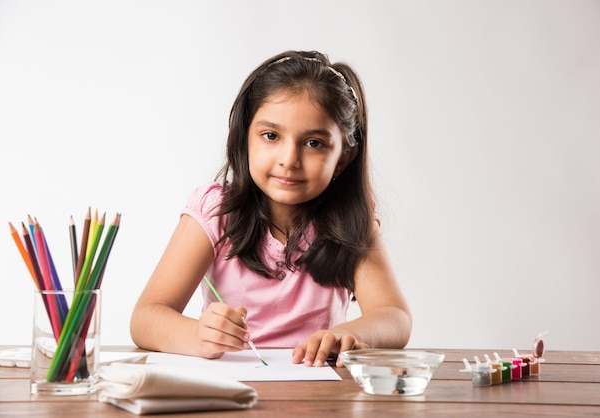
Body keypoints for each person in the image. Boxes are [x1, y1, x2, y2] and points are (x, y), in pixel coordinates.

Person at [130, 50, 412, 368]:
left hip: (319, 396)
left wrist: (344, 334)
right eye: (271, 136)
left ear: (343, 158)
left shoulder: (353, 222)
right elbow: (146, 317)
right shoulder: (215, 211)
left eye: (314, 143)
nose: (289, 159)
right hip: (231, 393)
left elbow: (395, 317)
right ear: (244, 138)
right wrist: (198, 336)